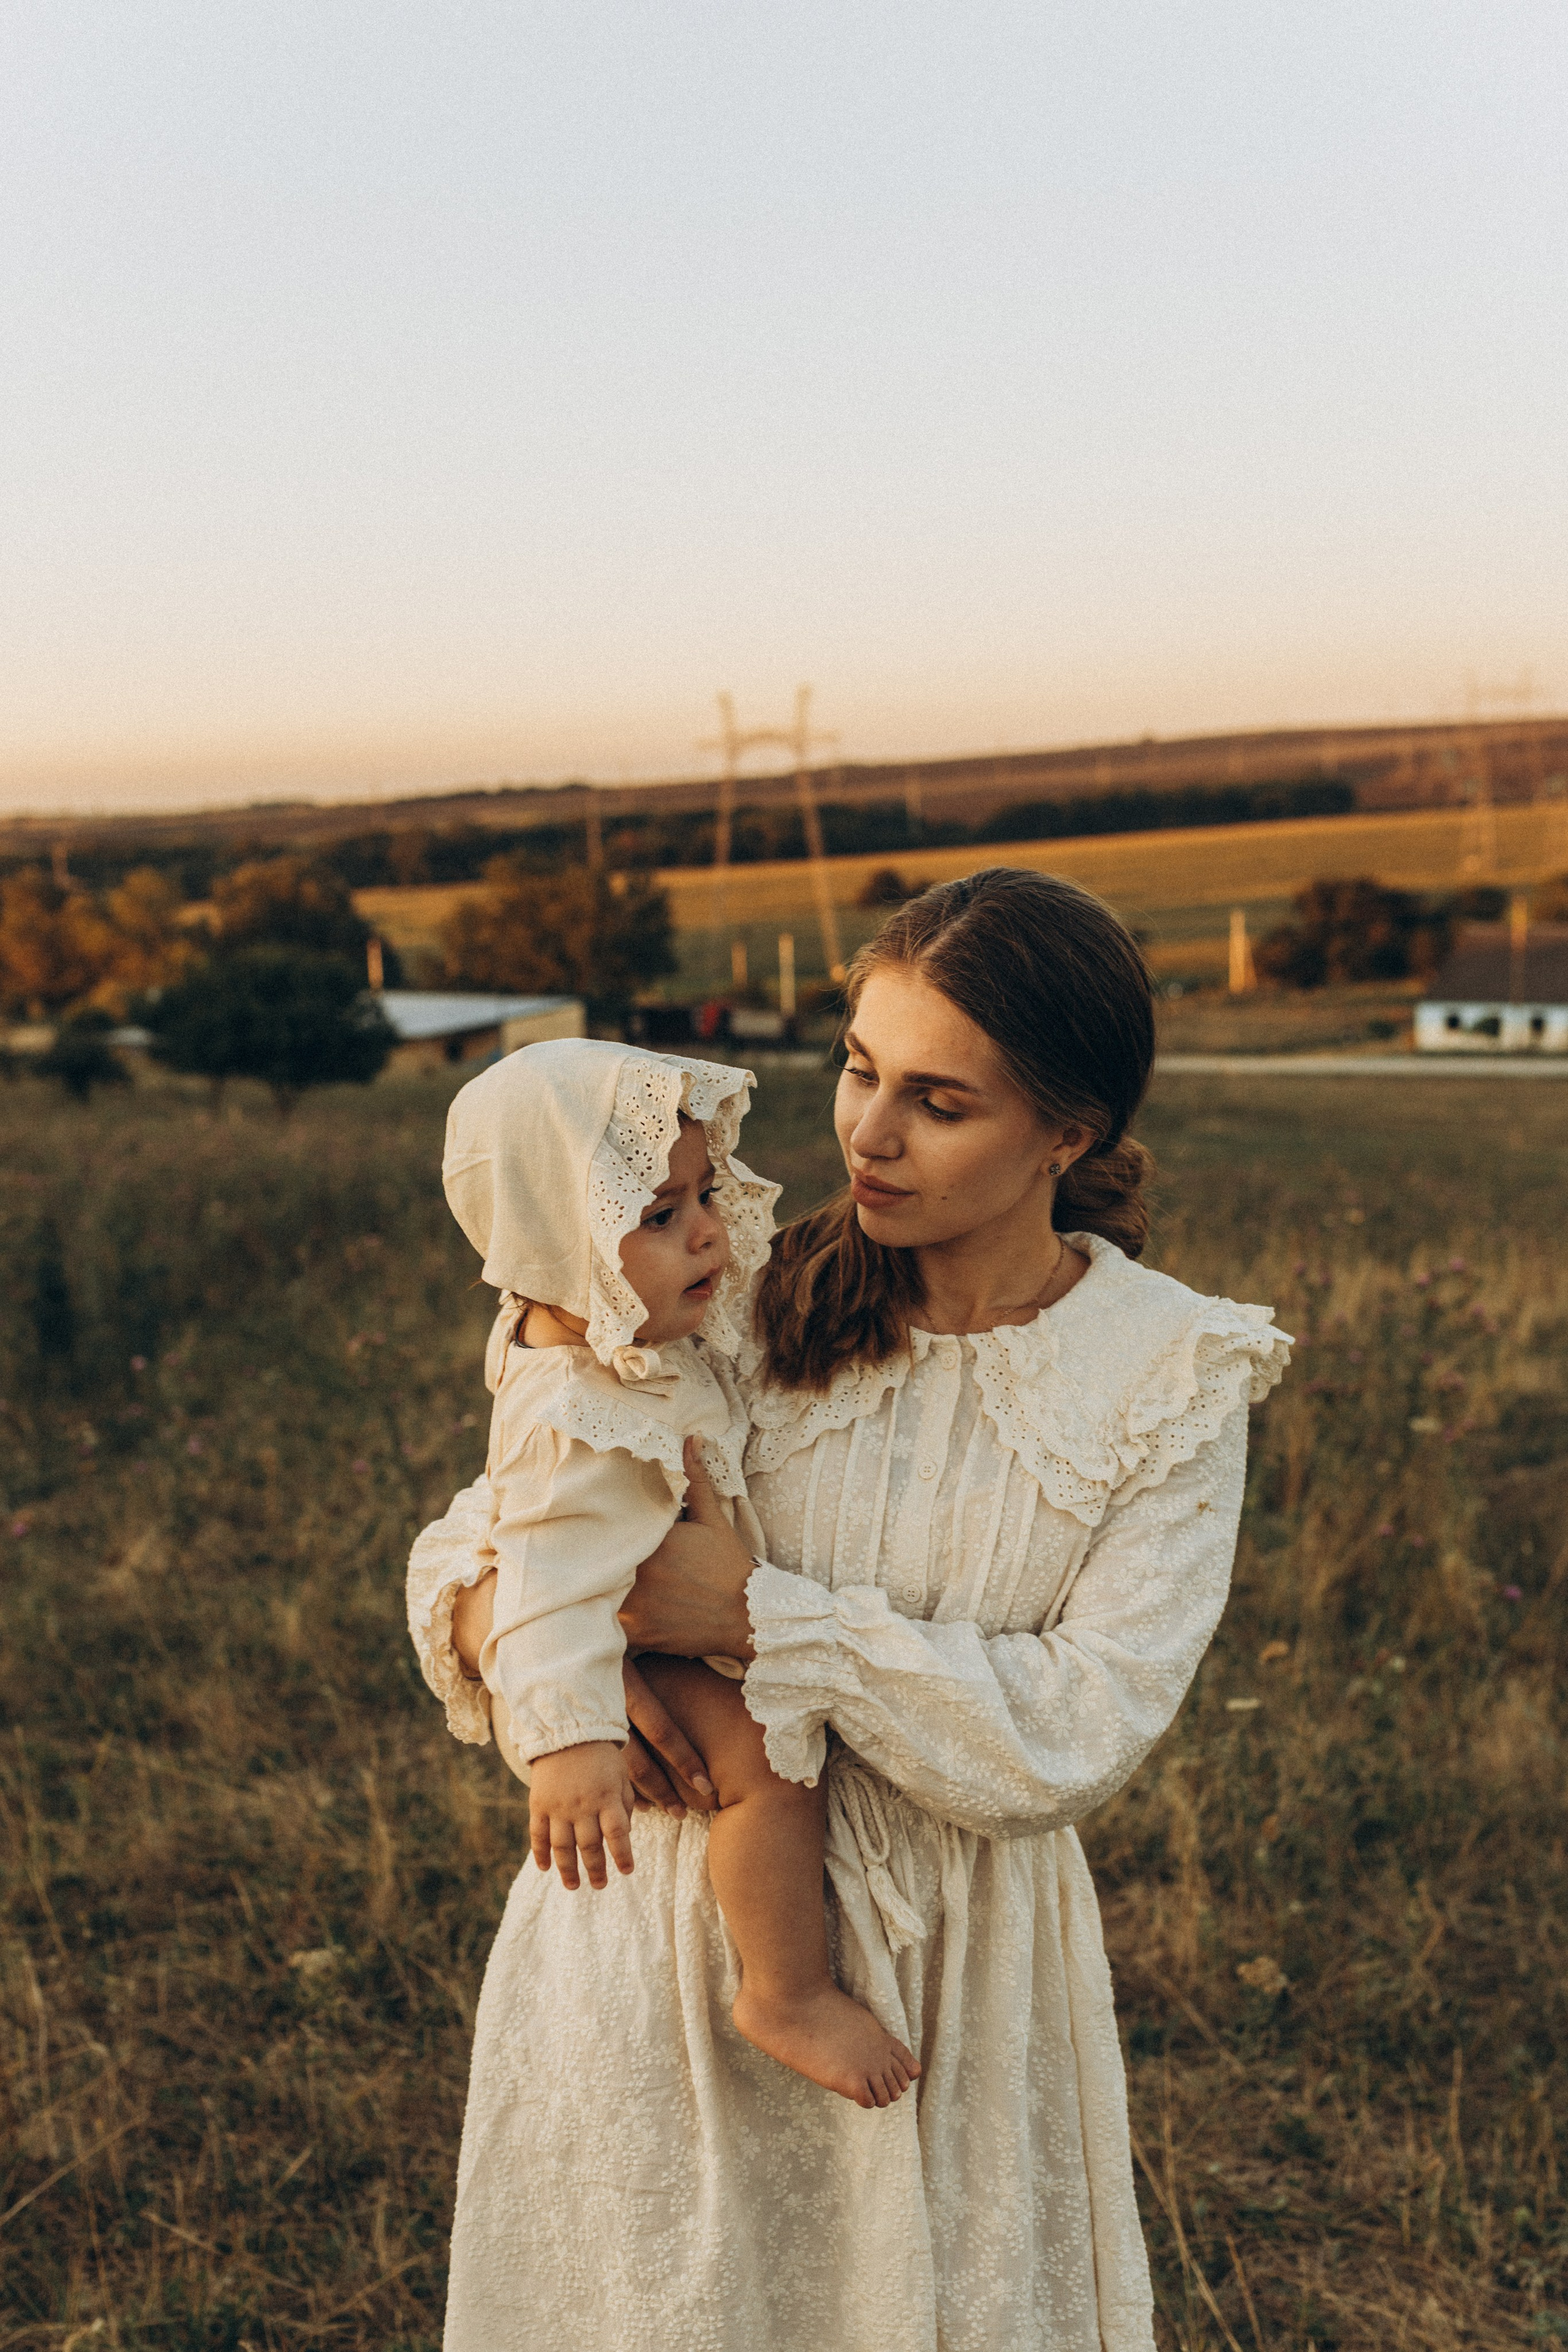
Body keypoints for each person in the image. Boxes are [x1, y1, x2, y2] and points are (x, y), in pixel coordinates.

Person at [409, 869, 1292, 2352]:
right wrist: (545, 1645)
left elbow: (1076, 1734)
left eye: (938, 1105)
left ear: (1064, 1134)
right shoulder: (728, 1282)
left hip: (946, 1992)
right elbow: (484, 1524)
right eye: (858, 1072)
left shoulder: (1164, 1375)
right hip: (652, 1946)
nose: (867, 1137)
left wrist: (754, 1616)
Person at [429, 1036, 919, 2107]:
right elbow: (545, 1578)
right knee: (768, 1764)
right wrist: (569, 1740)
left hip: (676, 1616)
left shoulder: (614, 1340)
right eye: (657, 1215)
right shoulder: (579, 1414)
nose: (706, 1231)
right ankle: (785, 1989)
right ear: (562, 1240)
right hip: (636, 1646)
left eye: (703, 1194)